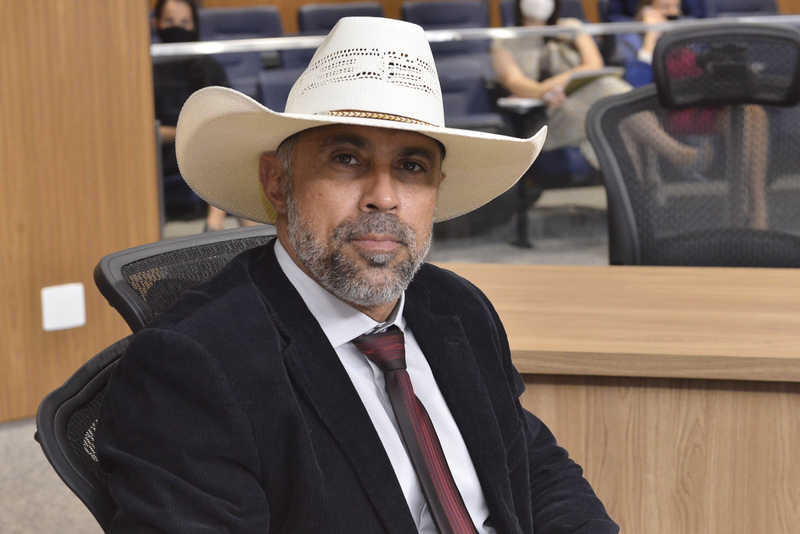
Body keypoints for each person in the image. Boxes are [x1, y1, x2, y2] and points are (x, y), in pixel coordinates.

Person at [97, 17, 619, 533]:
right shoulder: (194, 366)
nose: (384, 197)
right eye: (346, 159)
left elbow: (532, 465)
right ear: (277, 183)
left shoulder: (457, 306)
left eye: (411, 167)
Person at [618, 0, 770, 229]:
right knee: (632, 116)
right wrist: (650, 38)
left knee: (753, 113)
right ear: (645, 11)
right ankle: (682, 156)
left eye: (676, 8)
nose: (672, 14)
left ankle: (756, 210)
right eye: (664, 8)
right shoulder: (630, 40)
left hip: (696, 109)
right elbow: (632, 90)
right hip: (660, 116)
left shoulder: (688, 41)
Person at [152, 0, 258, 231]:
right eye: (169, 21)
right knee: (216, 144)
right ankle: (218, 226)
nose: (177, 28)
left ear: (195, 25)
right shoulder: (146, 68)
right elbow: (147, 130)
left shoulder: (209, 66)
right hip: (165, 154)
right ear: (156, 23)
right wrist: (189, 133)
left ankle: (219, 225)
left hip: (210, 147)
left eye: (184, 23)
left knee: (228, 143)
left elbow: (232, 115)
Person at [491, 0, 631, 168]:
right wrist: (542, 91)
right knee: (615, 115)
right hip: (551, 112)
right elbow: (513, 80)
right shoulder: (505, 40)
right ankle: (638, 174)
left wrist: (553, 83)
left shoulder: (570, 27)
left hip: (591, 93)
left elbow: (594, 64)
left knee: (613, 94)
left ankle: (636, 173)